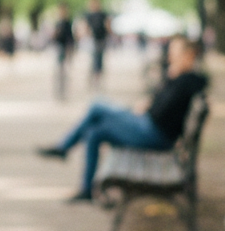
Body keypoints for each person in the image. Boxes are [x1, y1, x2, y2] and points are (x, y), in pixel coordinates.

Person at [39, 34, 208, 202]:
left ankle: (66, 152)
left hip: (154, 134)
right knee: (94, 130)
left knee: (97, 108)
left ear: (189, 55)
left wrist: (164, 87)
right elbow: (162, 104)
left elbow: (162, 111)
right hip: (148, 126)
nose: (170, 56)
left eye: (175, 52)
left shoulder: (187, 80)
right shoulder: (182, 79)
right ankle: (84, 185)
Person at [83, 0, 111, 89]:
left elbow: (108, 26)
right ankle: (94, 78)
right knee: (95, 59)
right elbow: (86, 27)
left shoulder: (103, 14)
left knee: (99, 59)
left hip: (101, 40)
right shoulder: (89, 15)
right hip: (93, 40)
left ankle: (97, 79)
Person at [51, 0, 75, 100]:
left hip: (65, 49)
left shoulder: (68, 23)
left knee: (64, 71)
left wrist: (70, 50)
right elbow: (54, 38)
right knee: (59, 70)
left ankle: (63, 91)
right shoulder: (57, 23)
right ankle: (59, 91)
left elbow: (71, 38)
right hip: (58, 49)